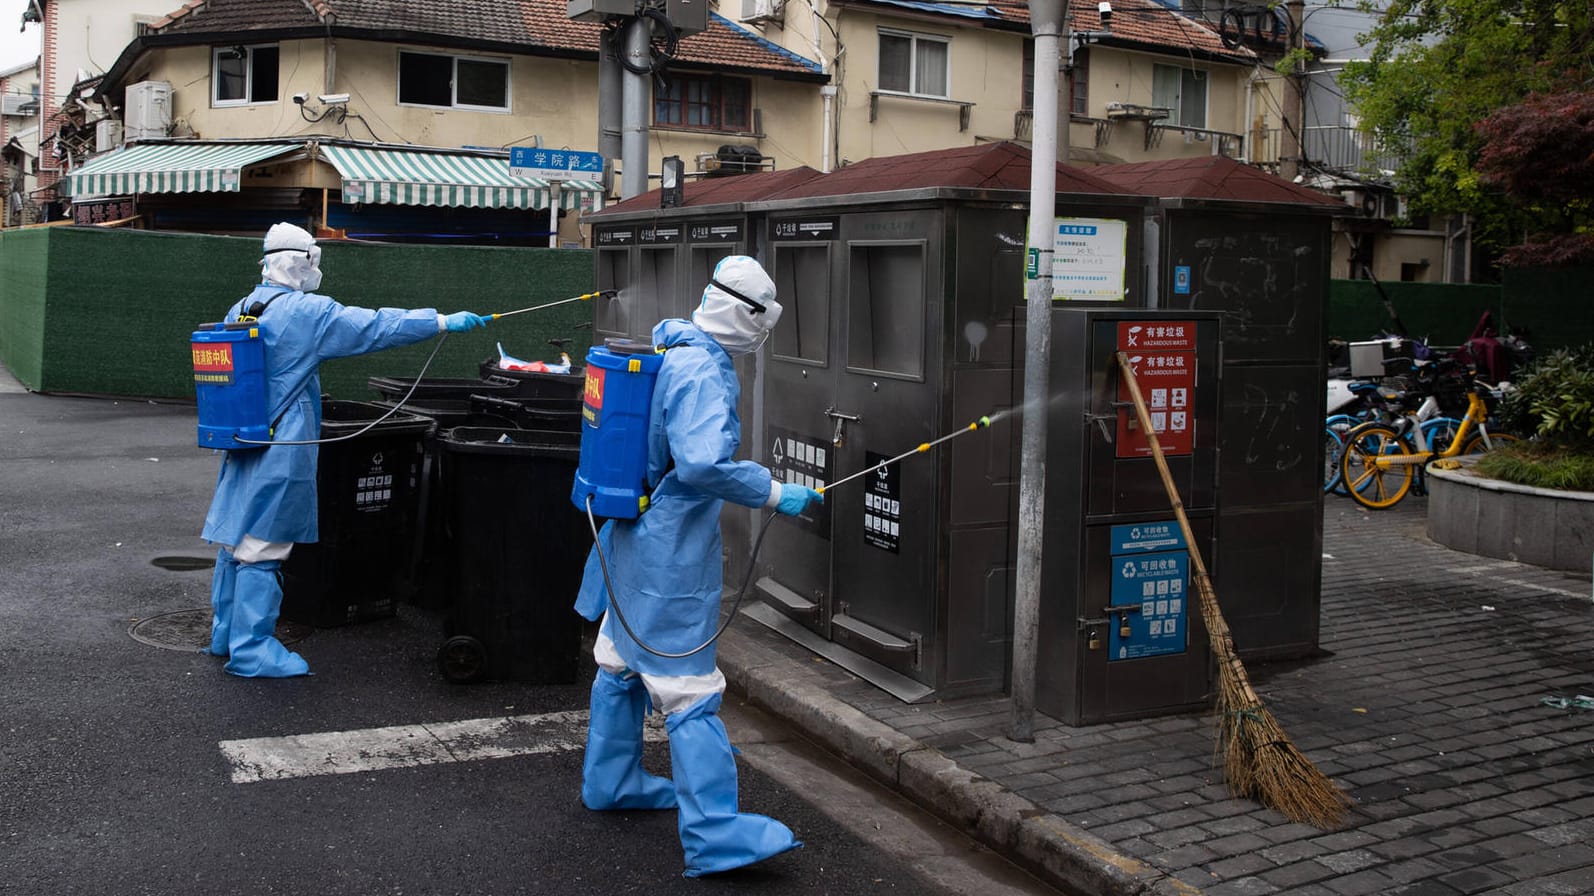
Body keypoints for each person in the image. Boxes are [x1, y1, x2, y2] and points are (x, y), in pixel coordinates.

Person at [573, 255, 822, 877]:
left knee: (619, 658)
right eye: (763, 320)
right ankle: (714, 835)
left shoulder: (671, 343)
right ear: (745, 315)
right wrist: (773, 491)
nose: (765, 334)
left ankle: (612, 781)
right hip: (669, 550)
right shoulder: (705, 371)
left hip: (629, 536)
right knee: (688, 689)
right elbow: (703, 465)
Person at [201, 222, 487, 678]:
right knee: (265, 543)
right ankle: (251, 650)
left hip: (245, 437)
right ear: (304, 262)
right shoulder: (305, 312)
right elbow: (373, 326)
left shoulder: (244, 305)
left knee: (236, 535)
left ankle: (224, 631)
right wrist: (439, 321)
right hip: (283, 439)